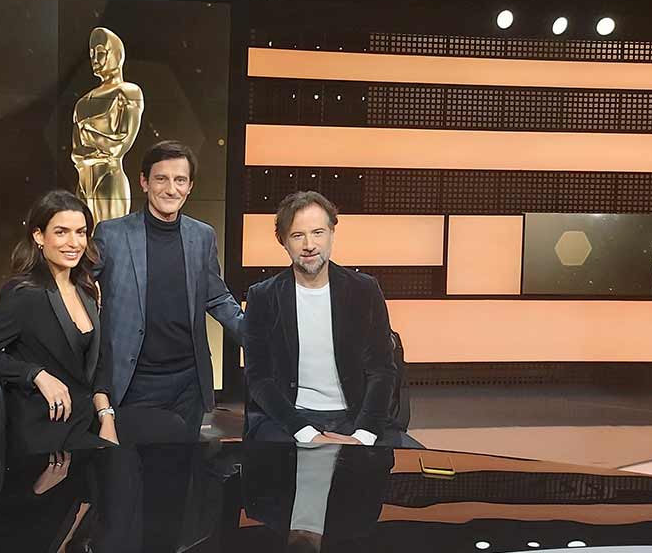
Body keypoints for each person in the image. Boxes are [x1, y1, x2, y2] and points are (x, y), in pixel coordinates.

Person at [92, 140, 243, 438]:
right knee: (135, 464)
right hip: (134, 380)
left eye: (180, 180)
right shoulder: (112, 234)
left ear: (190, 187)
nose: (171, 189)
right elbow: (79, 290)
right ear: (144, 182)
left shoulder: (202, 235)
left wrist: (258, 336)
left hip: (188, 382)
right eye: (161, 179)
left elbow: (217, 296)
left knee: (183, 464)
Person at [243, 190, 417, 447]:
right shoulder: (263, 297)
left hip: (356, 416)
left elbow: (382, 370)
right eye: (297, 235)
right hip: (291, 419)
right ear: (282, 241)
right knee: (279, 461)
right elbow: (259, 379)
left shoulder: (364, 290)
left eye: (318, 232)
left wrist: (363, 435)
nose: (309, 245)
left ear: (332, 233)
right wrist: (306, 433)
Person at [0, 190, 118, 454]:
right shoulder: (24, 295)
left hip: (87, 422)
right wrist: (36, 374)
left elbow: (99, 361)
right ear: (39, 236)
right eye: (61, 232)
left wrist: (106, 415)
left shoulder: (88, 289)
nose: (74, 243)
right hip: (45, 431)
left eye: (81, 232)